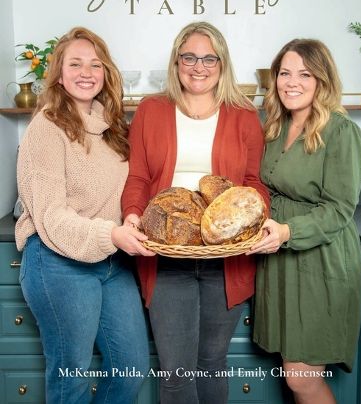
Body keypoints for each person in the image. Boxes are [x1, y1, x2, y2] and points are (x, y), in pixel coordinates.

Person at [121, 21, 270, 403]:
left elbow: (253, 182)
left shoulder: (243, 115)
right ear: (176, 61)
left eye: (209, 58)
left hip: (227, 257)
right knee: (175, 373)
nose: (198, 66)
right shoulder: (151, 111)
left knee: (212, 363)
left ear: (222, 64)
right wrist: (133, 216)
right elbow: (137, 176)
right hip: (166, 254)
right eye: (189, 56)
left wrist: (255, 218)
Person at [15, 27, 155, 404]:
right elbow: (51, 217)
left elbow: (123, 191)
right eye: (74, 64)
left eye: (95, 64)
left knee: (131, 368)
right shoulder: (46, 128)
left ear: (105, 73)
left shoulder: (110, 126)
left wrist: (131, 220)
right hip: (57, 264)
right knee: (71, 378)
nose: (86, 72)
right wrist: (111, 234)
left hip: (111, 262)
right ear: (58, 75)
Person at [248, 38, 361, 404]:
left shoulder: (341, 132)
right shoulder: (275, 127)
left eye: (305, 73)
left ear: (322, 80)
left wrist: (287, 231)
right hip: (281, 261)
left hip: (319, 259)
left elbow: (339, 208)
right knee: (292, 372)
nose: (291, 82)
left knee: (301, 378)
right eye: (284, 73)